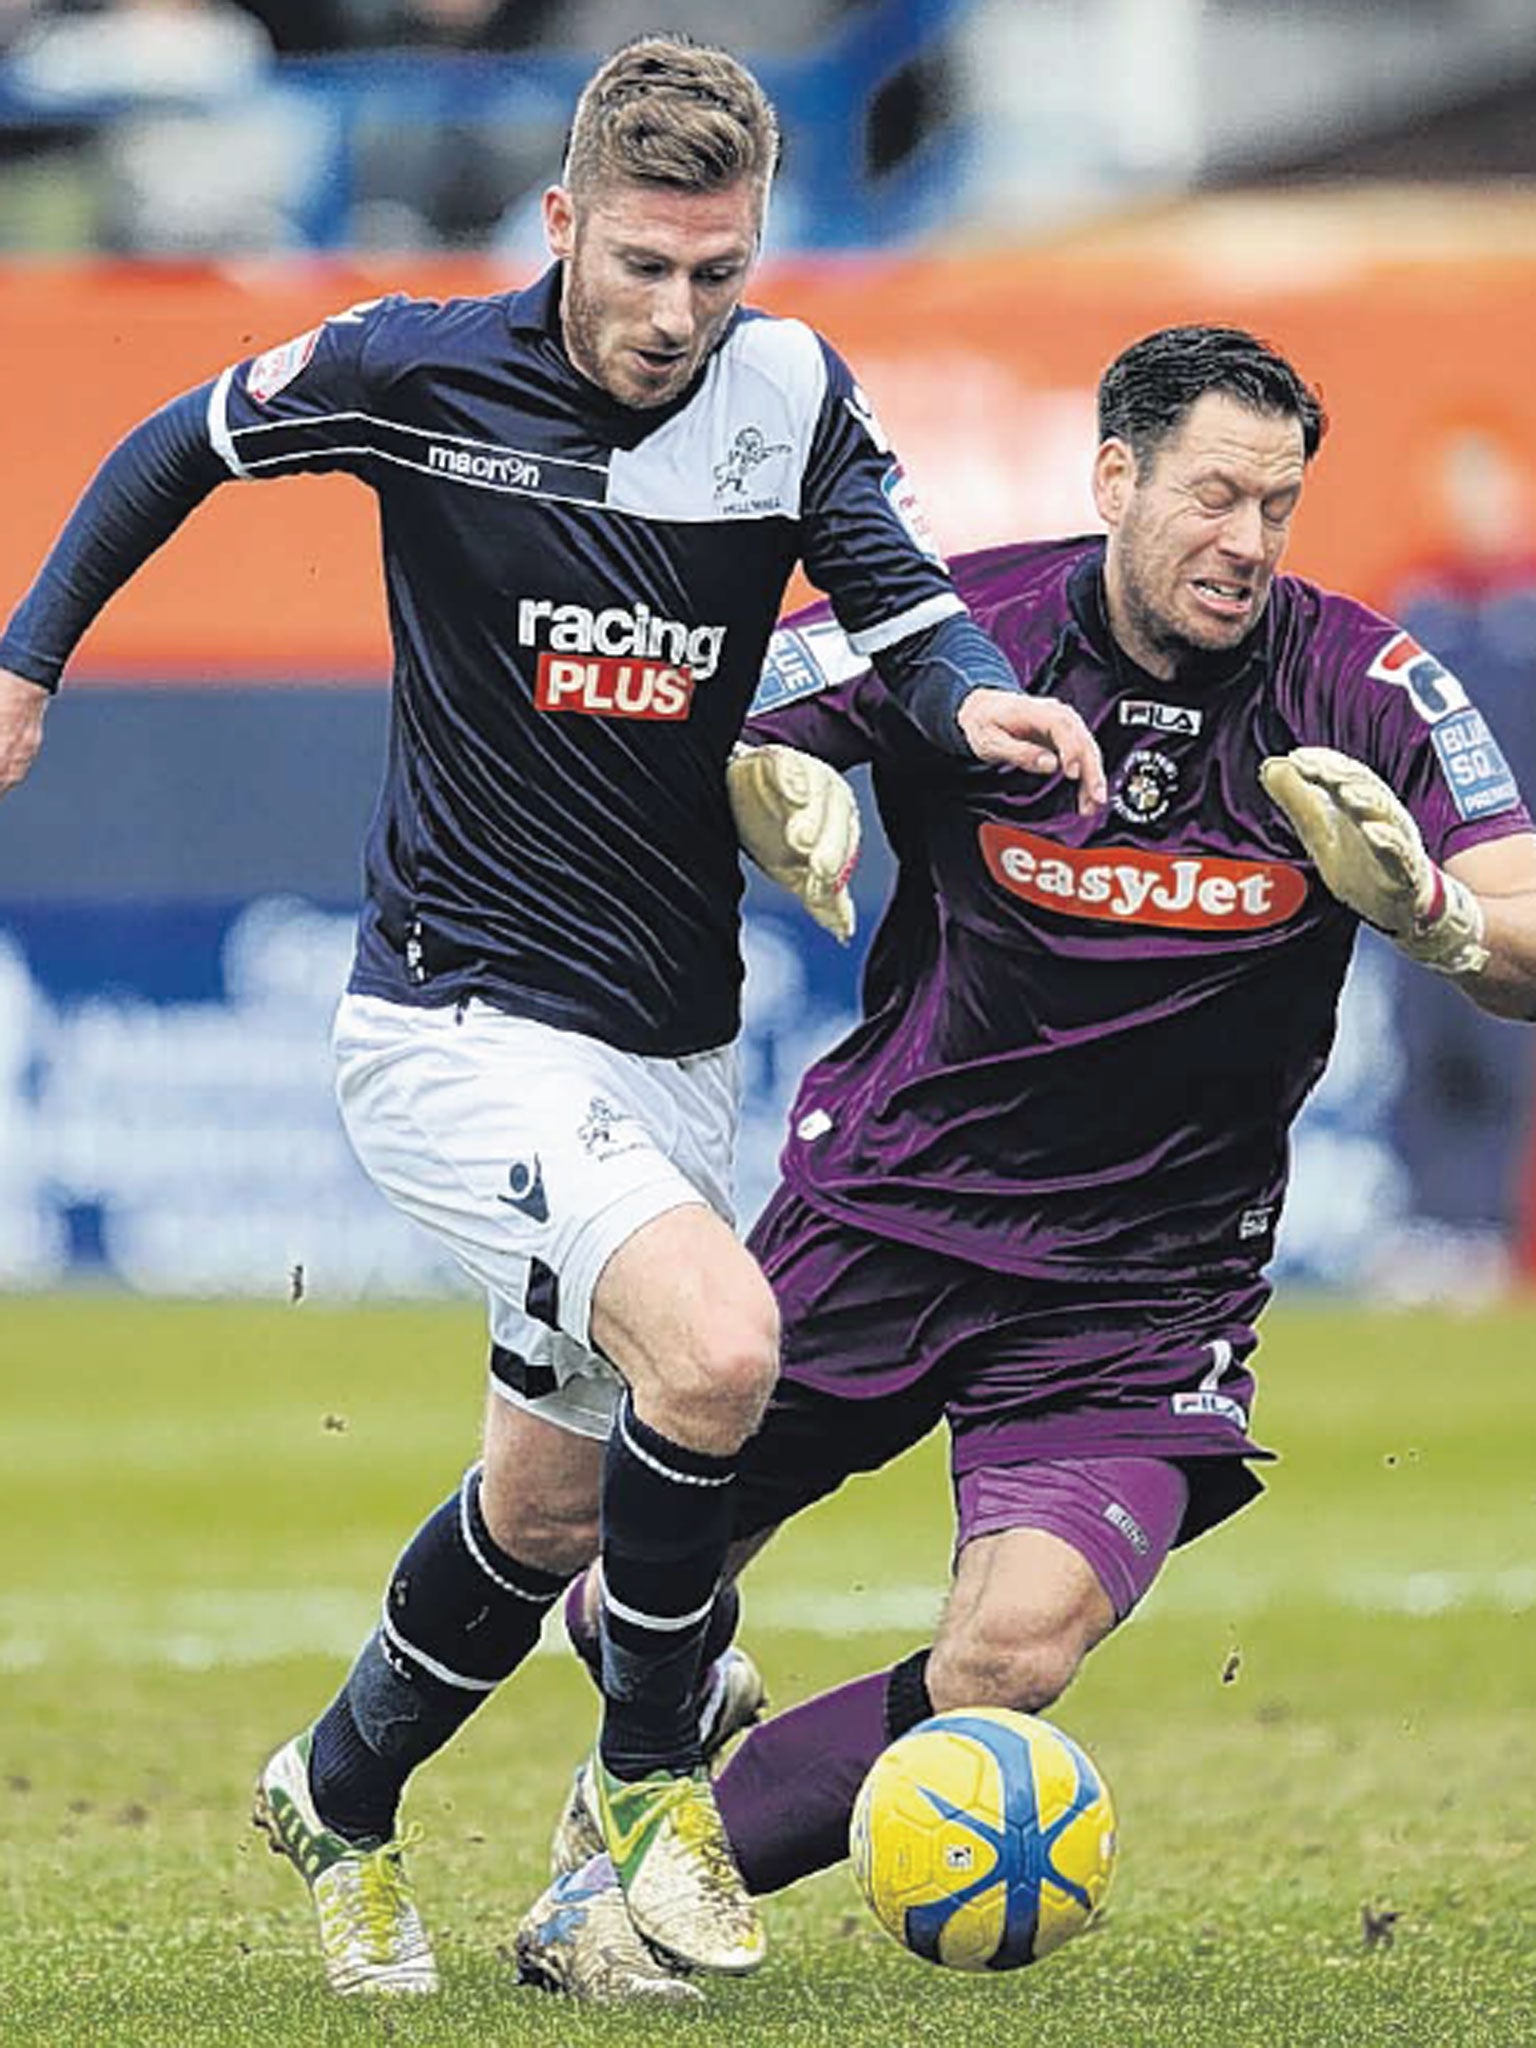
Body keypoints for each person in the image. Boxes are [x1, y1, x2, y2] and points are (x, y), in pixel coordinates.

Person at [0, 32, 1105, 1999]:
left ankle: (336, 1787)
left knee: (549, 1503)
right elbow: (175, 439)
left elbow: (905, 613)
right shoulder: (412, 372)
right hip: (449, 1016)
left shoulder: (790, 394)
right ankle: (661, 1790)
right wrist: (28, 665)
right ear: (564, 223)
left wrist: (978, 710)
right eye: (646, 266)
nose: (683, 314)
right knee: (719, 1342)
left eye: (723, 270)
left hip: (669, 1040)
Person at [511, 322, 1536, 2004]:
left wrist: (1428, 911)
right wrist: (784, 788)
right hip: (891, 1211)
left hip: (1143, 1287)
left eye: (1279, 505)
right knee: (611, 1589)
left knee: (1017, 1648)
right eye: (1214, 494)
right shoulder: (960, 622)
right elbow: (729, 716)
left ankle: (643, 1874)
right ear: (1115, 476)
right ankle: (662, 1681)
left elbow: (1524, 923)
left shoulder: (1366, 679)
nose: (1249, 542)